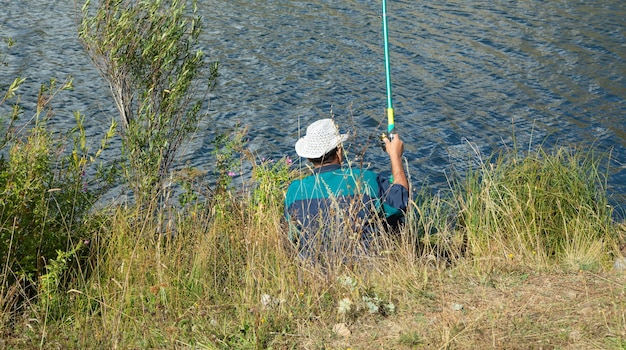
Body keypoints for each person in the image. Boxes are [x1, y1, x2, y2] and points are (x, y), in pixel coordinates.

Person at [284, 118, 409, 262]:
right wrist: (395, 156)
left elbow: (293, 234)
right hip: (365, 266)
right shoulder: (364, 178)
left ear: (308, 157)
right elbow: (401, 201)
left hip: (313, 270)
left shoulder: (294, 190)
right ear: (339, 151)